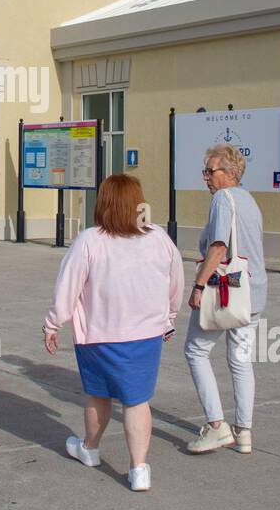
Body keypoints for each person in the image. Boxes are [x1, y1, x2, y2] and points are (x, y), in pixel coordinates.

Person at [43, 174, 183, 492]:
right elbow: (175, 282)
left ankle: (90, 448)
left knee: (98, 395)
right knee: (137, 401)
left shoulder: (90, 240)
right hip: (147, 334)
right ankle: (139, 469)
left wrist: (53, 323)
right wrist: (169, 317)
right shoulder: (159, 237)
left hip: (99, 335)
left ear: (104, 203)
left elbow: (67, 287)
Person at [185, 144, 267, 455]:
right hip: (253, 293)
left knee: (195, 350)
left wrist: (199, 285)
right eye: (204, 170)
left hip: (225, 291)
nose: (205, 177)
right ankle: (243, 432)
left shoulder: (223, 198)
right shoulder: (250, 201)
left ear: (230, 174)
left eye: (211, 170)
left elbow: (218, 247)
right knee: (241, 361)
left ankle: (217, 427)